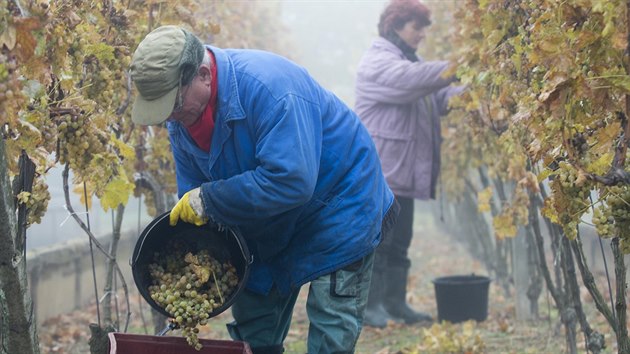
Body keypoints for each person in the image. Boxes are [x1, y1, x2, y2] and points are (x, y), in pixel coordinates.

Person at [129, 25, 396, 354]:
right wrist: (200, 257)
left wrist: (210, 200)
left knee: (331, 329)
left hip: (338, 202)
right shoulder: (181, 122)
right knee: (254, 332)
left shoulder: (271, 88)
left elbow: (291, 181)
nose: (171, 116)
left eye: (174, 104)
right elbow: (198, 200)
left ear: (202, 75)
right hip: (269, 218)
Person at [354, 0, 464, 328]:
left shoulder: (410, 62)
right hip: (382, 172)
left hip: (400, 174)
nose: (422, 35)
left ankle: (394, 303)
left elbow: (439, 99)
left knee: (401, 241)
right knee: (381, 242)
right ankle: (371, 306)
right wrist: (458, 64)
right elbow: (409, 81)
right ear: (396, 26)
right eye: (417, 27)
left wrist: (476, 88)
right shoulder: (378, 61)